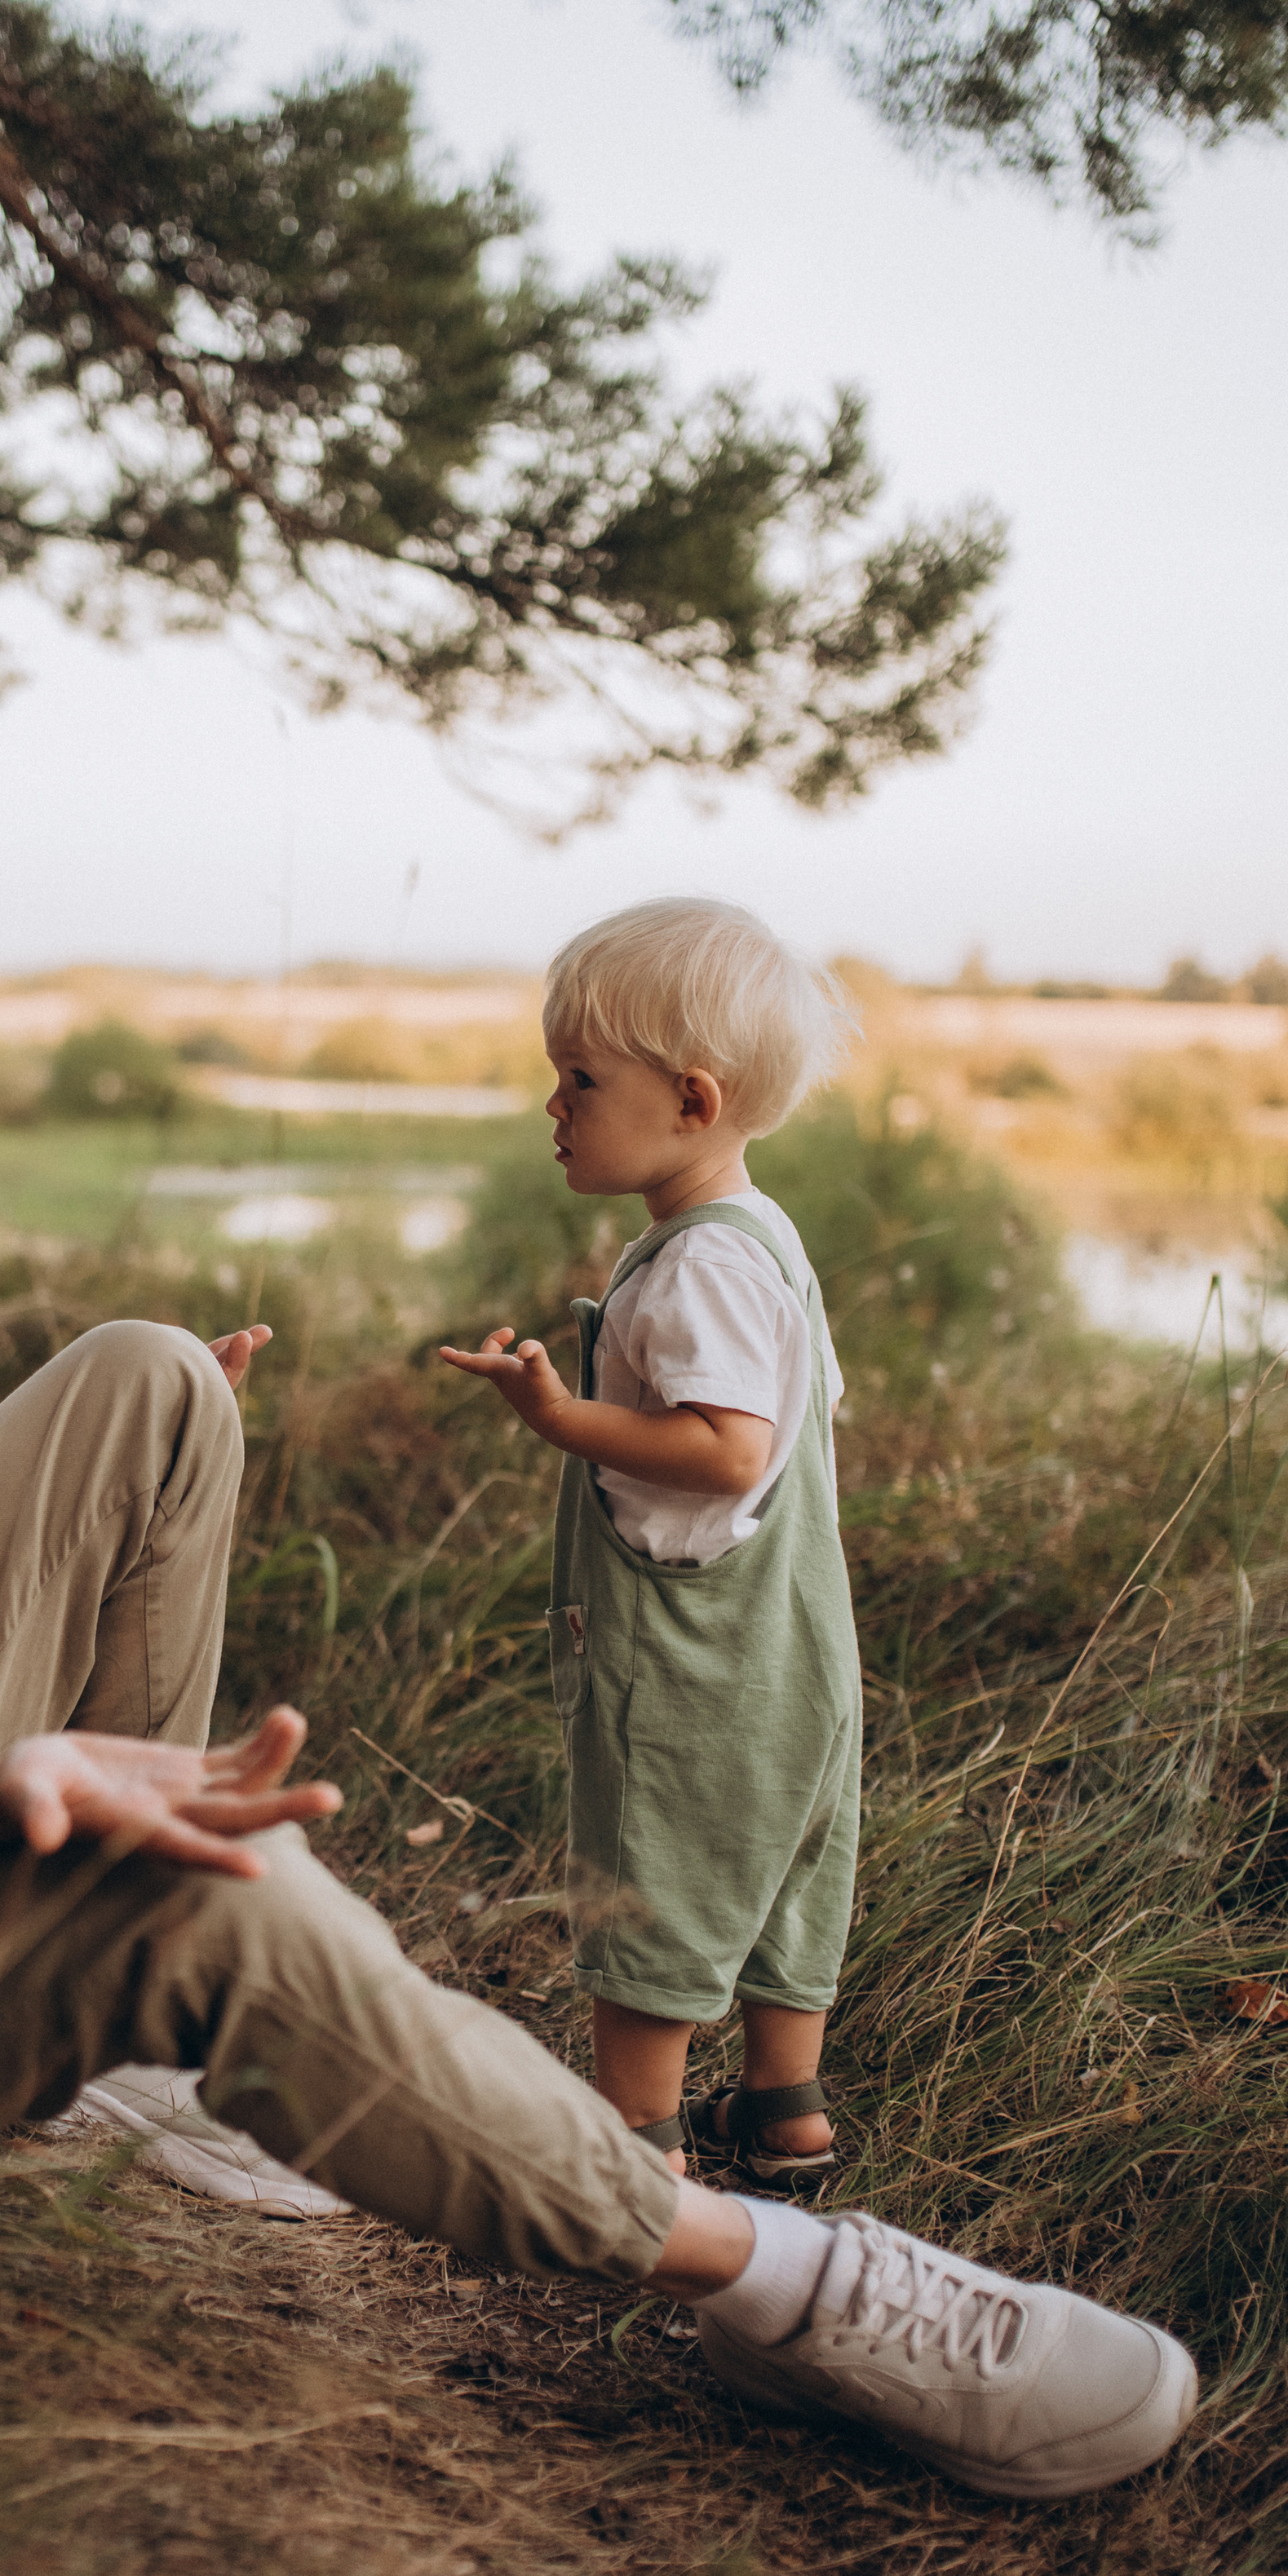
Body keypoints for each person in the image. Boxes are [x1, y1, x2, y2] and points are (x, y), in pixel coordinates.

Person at [0, 717, 1196, 2503]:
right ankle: (781, 2284)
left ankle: (109, 2047)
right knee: (193, 1892)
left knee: (149, 1388)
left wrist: (45, 1559)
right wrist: (13, 1799)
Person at [442, 901, 860, 2191]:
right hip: (794, 1638)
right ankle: (784, 2112)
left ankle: (634, 2157)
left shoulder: (697, 1267)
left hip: (690, 1653)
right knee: (784, 1861)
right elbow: (803, 1418)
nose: (553, 1104)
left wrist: (559, 1415)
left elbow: (730, 1448)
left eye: (579, 1078)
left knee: (650, 1874)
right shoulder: (764, 1238)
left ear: (692, 1098)